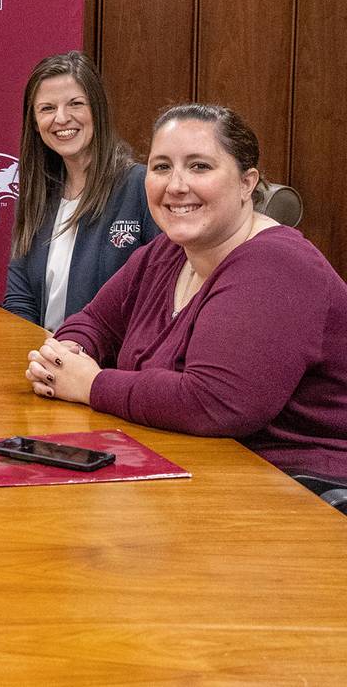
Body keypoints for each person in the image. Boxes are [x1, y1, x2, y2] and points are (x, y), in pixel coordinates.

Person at [25, 104, 347, 481]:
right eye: (162, 167)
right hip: (198, 467)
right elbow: (95, 321)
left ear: (247, 183)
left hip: (303, 492)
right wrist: (66, 357)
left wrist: (91, 384)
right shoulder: (166, 253)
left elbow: (213, 402)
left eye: (200, 167)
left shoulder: (277, 266)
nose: (176, 186)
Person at [4, 51, 158, 330]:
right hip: (42, 359)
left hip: (109, 366)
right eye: (47, 108)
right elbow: (20, 299)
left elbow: (157, 299)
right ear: (35, 124)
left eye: (75, 104)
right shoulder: (35, 195)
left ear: (96, 111)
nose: (61, 118)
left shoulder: (141, 187)